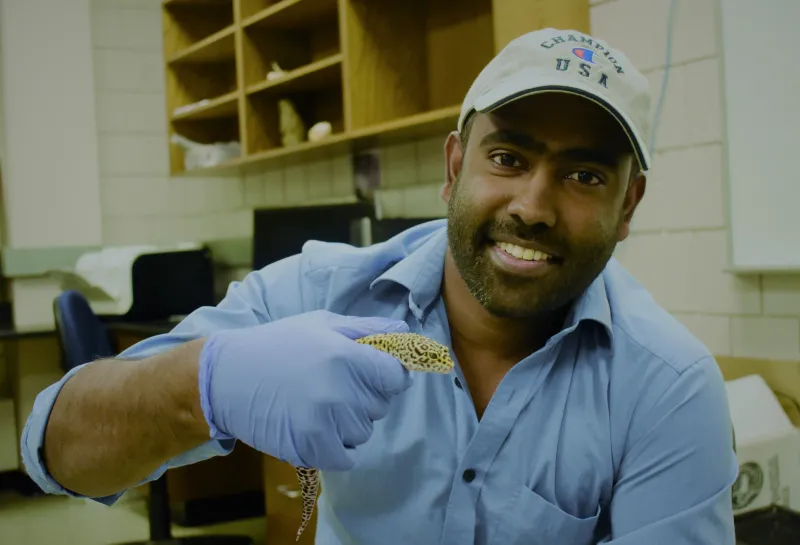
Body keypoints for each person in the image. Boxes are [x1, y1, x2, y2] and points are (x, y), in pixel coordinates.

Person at [22, 28, 738, 544]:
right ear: (455, 167)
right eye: (508, 156)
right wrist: (202, 386)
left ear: (629, 207)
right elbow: (57, 450)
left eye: (586, 175)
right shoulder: (322, 292)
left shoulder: (666, 386)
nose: (533, 206)